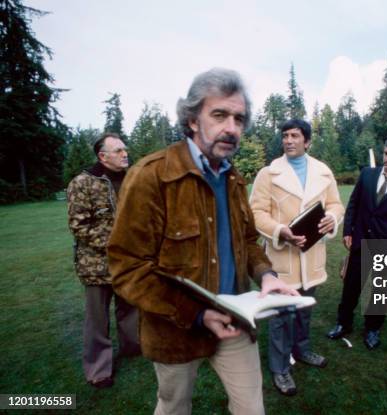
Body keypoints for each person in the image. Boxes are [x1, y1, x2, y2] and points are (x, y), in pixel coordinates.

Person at [107, 68, 298, 415]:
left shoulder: (235, 179)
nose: (231, 128)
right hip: (174, 330)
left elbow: (248, 241)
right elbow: (127, 268)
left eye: (239, 119)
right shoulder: (152, 176)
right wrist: (196, 314)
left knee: (252, 410)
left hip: (235, 320)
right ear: (193, 119)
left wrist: (267, 275)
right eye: (219, 115)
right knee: (173, 407)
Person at [250, 119, 345, 396]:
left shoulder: (323, 172)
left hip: (312, 257)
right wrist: (281, 231)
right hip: (282, 259)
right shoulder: (268, 174)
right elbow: (256, 213)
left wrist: (332, 218)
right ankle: (280, 369)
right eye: (285, 136)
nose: (288, 140)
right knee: (281, 316)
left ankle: (302, 351)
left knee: (304, 310)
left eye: (294, 136)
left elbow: (336, 205)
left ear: (307, 141)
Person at [327, 136, 387, 350]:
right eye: (386, 153)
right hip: (360, 241)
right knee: (350, 287)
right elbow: (353, 204)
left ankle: (372, 329)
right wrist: (348, 230)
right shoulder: (367, 175)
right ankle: (343, 323)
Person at [67, 132, 140, 389]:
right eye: (118, 150)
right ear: (102, 156)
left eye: (125, 150)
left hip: (128, 263)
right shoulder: (83, 183)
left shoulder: (132, 179)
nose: (125, 154)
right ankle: (99, 370)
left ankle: (133, 348)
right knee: (97, 319)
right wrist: (116, 244)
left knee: (130, 308)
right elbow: (79, 226)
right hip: (95, 265)